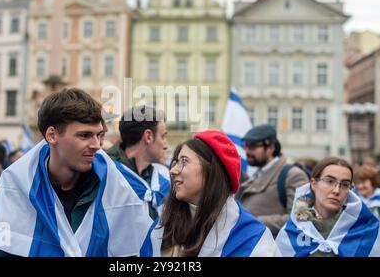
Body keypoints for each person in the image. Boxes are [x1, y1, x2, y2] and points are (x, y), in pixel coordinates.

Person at [0, 88, 153, 257]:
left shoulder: (114, 185)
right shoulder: (17, 185)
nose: (97, 145)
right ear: (52, 135)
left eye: (99, 135)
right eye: (84, 135)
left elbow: (136, 248)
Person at [140, 130, 280, 257]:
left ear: (211, 171)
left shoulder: (252, 239)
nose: (173, 170)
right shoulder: (161, 228)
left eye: (184, 162)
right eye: (175, 162)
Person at [276, 157, 380, 257]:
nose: (336, 190)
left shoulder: (362, 229)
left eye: (345, 184)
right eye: (330, 181)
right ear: (313, 183)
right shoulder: (294, 229)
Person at [236, 124, 309, 237]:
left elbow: (301, 218)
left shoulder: (293, 175)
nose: (247, 151)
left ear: (271, 147)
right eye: (245, 146)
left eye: (253, 147)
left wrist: (253, 222)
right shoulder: (258, 173)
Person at [107, 105, 170, 219]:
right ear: (148, 136)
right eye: (163, 137)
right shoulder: (107, 174)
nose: (166, 145)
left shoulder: (162, 177)